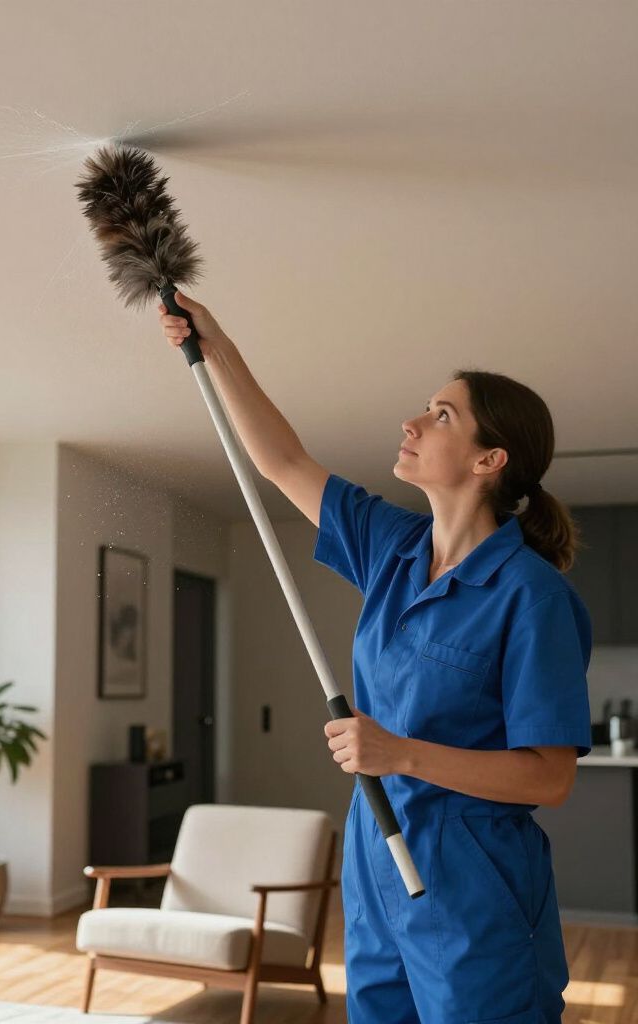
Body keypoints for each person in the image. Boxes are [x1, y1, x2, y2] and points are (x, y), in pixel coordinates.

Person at [157, 291, 592, 1024]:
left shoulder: (532, 597)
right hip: (376, 857)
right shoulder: (394, 546)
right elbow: (282, 460)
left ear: (489, 459)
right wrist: (216, 343)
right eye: (425, 406)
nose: (412, 421)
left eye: (441, 415)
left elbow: (549, 779)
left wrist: (400, 753)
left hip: (473, 884)